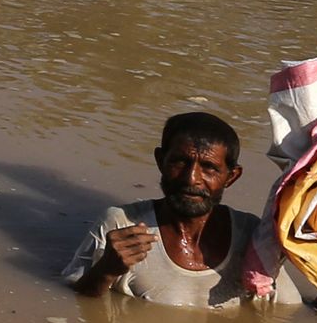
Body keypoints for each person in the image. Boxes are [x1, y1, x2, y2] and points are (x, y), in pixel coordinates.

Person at [62, 111, 302, 308]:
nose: (191, 178)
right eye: (179, 162)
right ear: (160, 160)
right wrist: (106, 270)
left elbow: (292, 312)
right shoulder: (121, 225)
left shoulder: (252, 236)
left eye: (209, 168)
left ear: (232, 176)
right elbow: (71, 300)